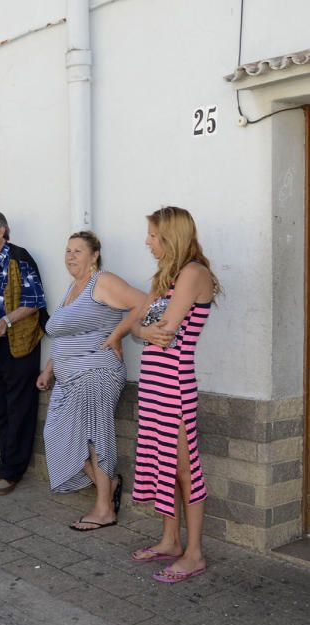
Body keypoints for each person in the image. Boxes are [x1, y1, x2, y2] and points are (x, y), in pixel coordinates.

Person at [129, 206, 220, 584]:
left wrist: (144, 329)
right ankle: (169, 540)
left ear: (170, 235)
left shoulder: (194, 274)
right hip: (153, 381)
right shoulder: (163, 277)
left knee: (185, 467)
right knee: (163, 461)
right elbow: (139, 326)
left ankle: (194, 553)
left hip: (175, 383)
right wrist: (144, 329)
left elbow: (161, 326)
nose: (147, 241)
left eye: (152, 234)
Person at [36, 232, 146, 530]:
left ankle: (104, 509)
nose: (70, 256)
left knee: (95, 438)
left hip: (97, 373)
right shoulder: (73, 288)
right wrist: (49, 369)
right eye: (67, 250)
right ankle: (108, 486)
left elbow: (144, 302)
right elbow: (66, 336)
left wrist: (117, 334)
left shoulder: (103, 282)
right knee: (57, 435)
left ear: (94, 255)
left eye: (78, 251)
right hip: (68, 377)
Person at [0, 211, 47, 495]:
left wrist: (7, 321)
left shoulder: (19, 258)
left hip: (19, 342)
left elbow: (34, 301)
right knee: (0, 405)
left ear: (0, 231)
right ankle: (4, 464)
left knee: (19, 407)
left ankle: (14, 470)